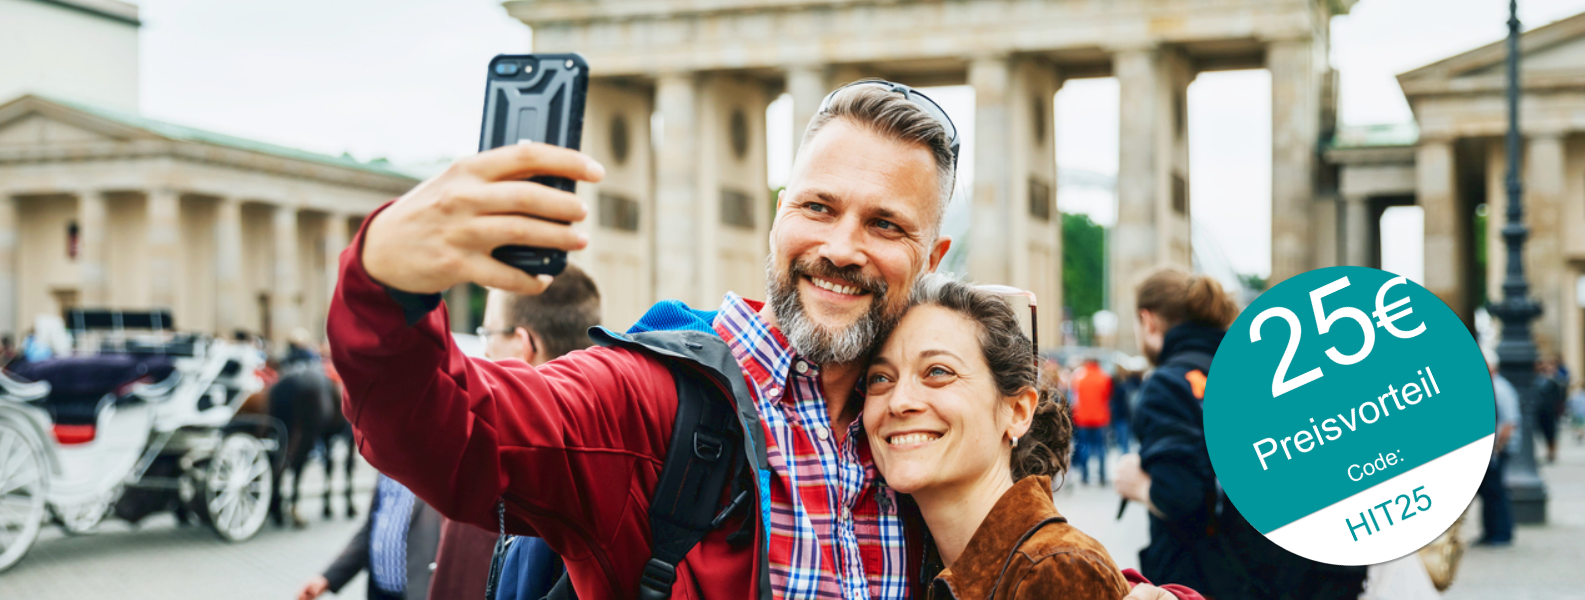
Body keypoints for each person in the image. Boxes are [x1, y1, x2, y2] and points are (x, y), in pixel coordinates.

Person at [328, 80, 1175, 600]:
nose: (841, 245)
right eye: (817, 206)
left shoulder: (912, 433)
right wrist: (386, 284)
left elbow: (1019, 554)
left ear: (930, 257)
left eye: (884, 223)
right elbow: (457, 432)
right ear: (776, 214)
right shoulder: (649, 399)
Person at [863, 275, 1199, 600]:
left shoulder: (1051, 571)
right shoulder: (925, 566)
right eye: (880, 377)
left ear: (1019, 411)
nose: (899, 400)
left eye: (938, 371)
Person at [1112, 267, 1365, 600]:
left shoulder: (1168, 384)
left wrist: (1141, 486)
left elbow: (1181, 496)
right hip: (1292, 576)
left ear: (1148, 321)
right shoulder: (1265, 369)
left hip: (1209, 581)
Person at [444, 265, 603, 600]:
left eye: (488, 334)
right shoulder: (605, 449)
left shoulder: (502, 464)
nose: (484, 350)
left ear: (521, 342)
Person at [297, 474, 443, 600]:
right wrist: (327, 578)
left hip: (417, 593)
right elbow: (372, 531)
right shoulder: (385, 473)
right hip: (379, 593)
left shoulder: (436, 473)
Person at [1477, 348, 1519, 547]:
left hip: (1498, 450)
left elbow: (1509, 423)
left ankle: (1502, 533)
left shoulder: (1501, 388)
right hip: (1493, 450)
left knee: (1496, 491)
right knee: (1488, 492)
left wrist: (1496, 449)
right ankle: (1490, 531)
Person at [1071, 357, 1113, 484]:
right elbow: (1107, 396)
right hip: (1100, 418)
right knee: (1101, 448)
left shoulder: (1079, 377)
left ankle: (1085, 476)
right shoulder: (1104, 377)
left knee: (1084, 447)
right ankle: (1102, 476)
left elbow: (1074, 397)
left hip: (1083, 418)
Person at [1534, 358, 1566, 464]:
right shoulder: (1536, 381)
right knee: (1540, 432)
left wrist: (1559, 411)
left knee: (1551, 433)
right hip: (1539, 411)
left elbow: (1560, 398)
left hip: (1551, 412)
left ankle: (1551, 452)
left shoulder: (1555, 381)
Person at [1109, 360, 1142, 454]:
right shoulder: (1126, 383)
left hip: (1121, 414)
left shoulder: (1121, 383)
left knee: (1123, 441)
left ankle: (1124, 456)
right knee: (1124, 441)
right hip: (1124, 414)